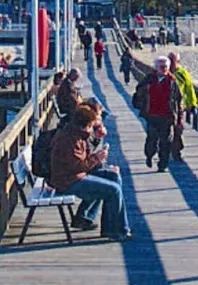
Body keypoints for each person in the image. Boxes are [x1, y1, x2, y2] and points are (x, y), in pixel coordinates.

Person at [49, 103, 130, 241]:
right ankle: (118, 231)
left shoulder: (76, 134)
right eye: (91, 125)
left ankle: (109, 227)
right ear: (86, 124)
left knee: (113, 176)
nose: (92, 128)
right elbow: (78, 166)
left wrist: (97, 148)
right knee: (114, 190)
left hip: (75, 176)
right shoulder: (68, 139)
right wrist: (97, 158)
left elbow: (82, 161)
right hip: (68, 181)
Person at [139, 55, 178, 172]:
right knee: (152, 139)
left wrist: (178, 116)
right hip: (152, 115)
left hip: (167, 115)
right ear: (156, 68)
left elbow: (178, 99)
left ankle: (163, 165)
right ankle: (149, 155)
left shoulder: (172, 81)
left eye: (166, 67)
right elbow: (138, 93)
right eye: (161, 67)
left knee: (166, 141)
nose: (164, 69)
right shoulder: (149, 80)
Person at [168, 50, 197, 162]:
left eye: (173, 60)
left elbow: (189, 89)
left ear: (178, 61)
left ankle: (177, 151)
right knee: (166, 129)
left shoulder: (182, 73)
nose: (171, 63)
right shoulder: (163, 71)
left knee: (179, 128)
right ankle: (166, 150)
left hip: (179, 106)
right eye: (170, 60)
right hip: (165, 106)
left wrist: (192, 104)